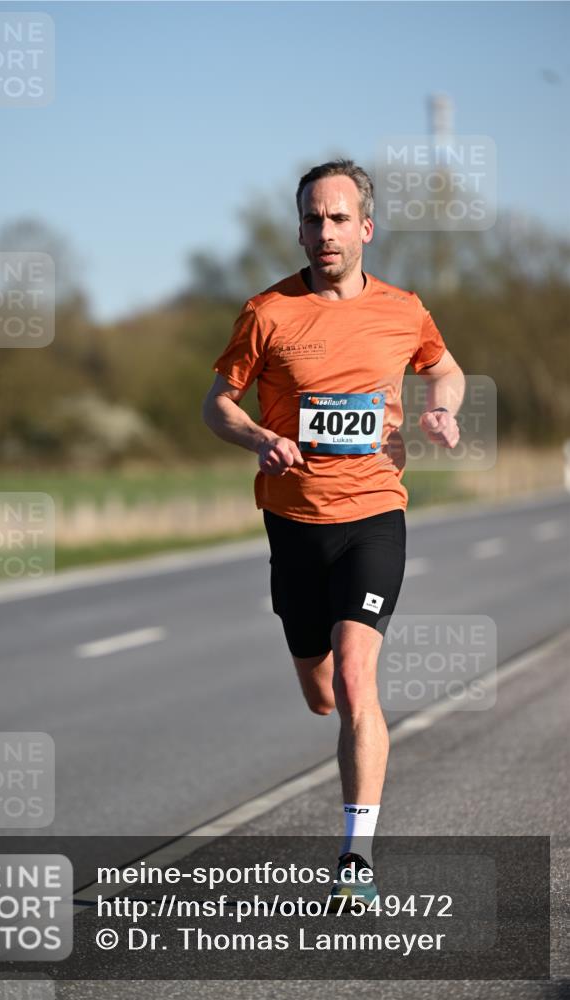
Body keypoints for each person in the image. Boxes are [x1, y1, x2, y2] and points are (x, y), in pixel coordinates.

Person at [202, 158, 465, 907]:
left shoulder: (402, 309)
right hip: (293, 523)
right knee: (320, 692)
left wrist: (441, 406)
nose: (325, 231)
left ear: (365, 228)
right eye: (313, 219)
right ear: (299, 229)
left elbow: (443, 370)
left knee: (356, 678)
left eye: (339, 218)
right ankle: (321, 693)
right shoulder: (267, 312)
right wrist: (257, 438)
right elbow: (215, 404)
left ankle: (356, 859)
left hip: (376, 514)